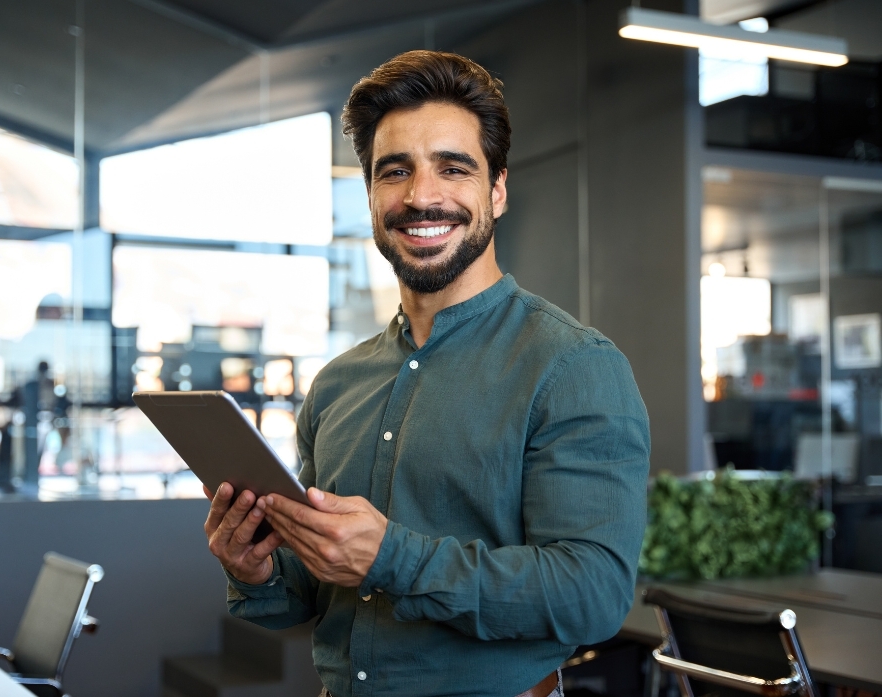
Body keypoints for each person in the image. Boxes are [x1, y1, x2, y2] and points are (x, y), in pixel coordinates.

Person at [203, 50, 650, 697]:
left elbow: (594, 596)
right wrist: (255, 566)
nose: (421, 196)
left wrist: (392, 557)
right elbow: (302, 597)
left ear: (497, 188)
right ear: (371, 195)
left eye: (452, 167)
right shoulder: (336, 385)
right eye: (395, 172)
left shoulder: (573, 366)